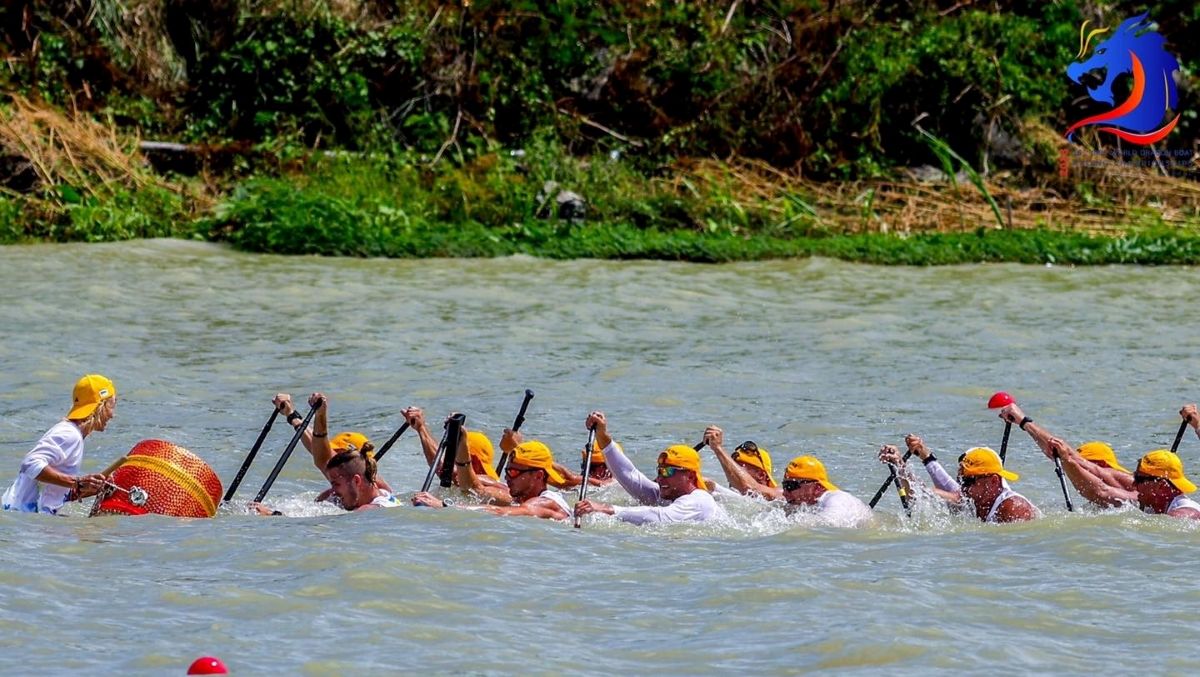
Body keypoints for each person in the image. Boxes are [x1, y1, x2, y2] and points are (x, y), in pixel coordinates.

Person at [574, 411, 728, 524]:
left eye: (668, 471)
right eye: (659, 471)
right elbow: (629, 474)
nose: (661, 478)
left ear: (690, 476)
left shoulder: (699, 501)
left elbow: (660, 516)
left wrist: (606, 508)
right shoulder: (664, 494)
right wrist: (602, 434)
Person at [3, 375, 116, 514]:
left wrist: (89, 487)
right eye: (112, 405)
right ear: (101, 406)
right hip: (20, 516)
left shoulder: (73, 434)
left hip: (24, 519)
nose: (112, 415)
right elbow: (30, 463)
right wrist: (77, 482)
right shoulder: (69, 434)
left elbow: (53, 493)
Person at [995, 402, 1132, 508]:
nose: (1075, 473)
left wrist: (1024, 421)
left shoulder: (1133, 497)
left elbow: (1072, 461)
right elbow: (1059, 453)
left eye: (1084, 467)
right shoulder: (1113, 494)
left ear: (1102, 467)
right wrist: (1023, 422)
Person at [881, 437, 1039, 523]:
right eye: (961, 480)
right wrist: (900, 465)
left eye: (968, 481)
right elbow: (922, 494)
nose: (963, 487)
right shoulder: (974, 495)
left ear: (992, 481)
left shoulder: (1013, 509)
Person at [412, 436, 573, 521]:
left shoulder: (546, 503)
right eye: (507, 471)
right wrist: (461, 443)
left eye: (515, 473)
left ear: (538, 476)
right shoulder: (514, 494)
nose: (507, 477)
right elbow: (463, 481)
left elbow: (498, 511)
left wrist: (444, 505)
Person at [273, 392, 394, 496]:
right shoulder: (347, 481)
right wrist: (291, 414)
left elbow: (321, 452)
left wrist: (273, 514)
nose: (332, 462)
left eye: (337, 456)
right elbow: (315, 448)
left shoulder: (378, 497)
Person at [254, 447, 399, 514]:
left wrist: (272, 515)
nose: (333, 491)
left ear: (356, 481)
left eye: (336, 484)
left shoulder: (370, 510)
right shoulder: (380, 489)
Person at [779, 456, 872, 526]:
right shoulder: (807, 503)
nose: (785, 492)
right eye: (784, 486)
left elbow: (829, 524)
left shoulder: (837, 500)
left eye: (790, 486)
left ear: (815, 485)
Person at [703, 426, 780, 499]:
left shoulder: (782, 496)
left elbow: (750, 489)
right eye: (732, 468)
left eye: (738, 468)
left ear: (760, 475)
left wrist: (717, 448)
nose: (731, 474)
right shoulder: (729, 498)